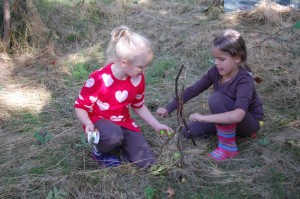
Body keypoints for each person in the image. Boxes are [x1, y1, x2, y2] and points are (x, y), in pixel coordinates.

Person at [156, 29, 263, 162]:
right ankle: (230, 133)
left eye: (221, 59)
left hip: (249, 123)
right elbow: (193, 90)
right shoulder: (215, 72)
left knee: (216, 99)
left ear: (237, 58)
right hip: (229, 118)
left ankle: (228, 147)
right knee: (188, 132)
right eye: (215, 58)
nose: (216, 63)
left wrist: (204, 118)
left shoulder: (244, 80)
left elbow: (238, 115)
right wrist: (168, 108)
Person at [74, 25, 173, 168]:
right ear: (124, 62)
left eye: (145, 66)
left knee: (146, 162)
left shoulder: (138, 79)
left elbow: (138, 105)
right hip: (99, 120)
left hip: (123, 122)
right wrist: (87, 123)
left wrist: (156, 125)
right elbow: (80, 106)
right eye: (140, 66)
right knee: (112, 135)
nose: (143, 70)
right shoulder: (99, 78)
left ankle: (120, 146)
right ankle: (99, 152)